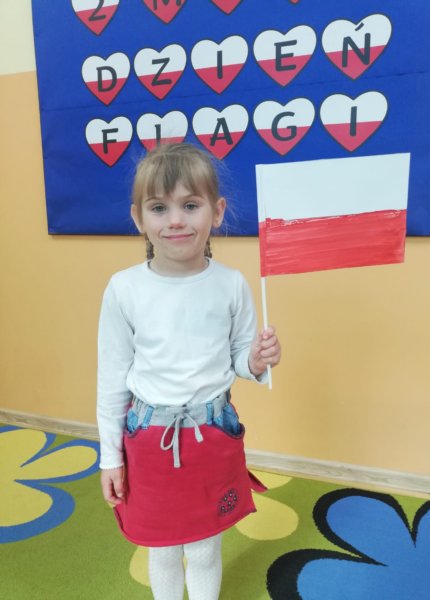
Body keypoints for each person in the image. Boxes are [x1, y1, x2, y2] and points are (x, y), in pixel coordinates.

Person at [97, 142, 281, 600]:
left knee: (203, 548)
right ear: (139, 218)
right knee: (162, 547)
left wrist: (256, 360)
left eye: (190, 205)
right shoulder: (124, 289)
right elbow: (111, 380)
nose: (175, 220)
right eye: (159, 208)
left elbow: (238, 358)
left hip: (212, 436)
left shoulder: (231, 284)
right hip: (149, 442)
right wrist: (110, 458)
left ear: (217, 212)